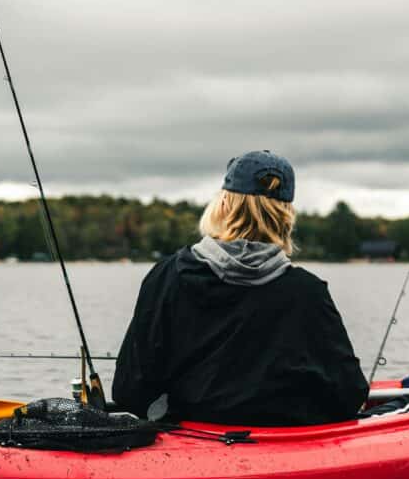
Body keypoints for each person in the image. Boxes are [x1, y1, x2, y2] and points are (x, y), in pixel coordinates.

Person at [112, 150, 369, 426]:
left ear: (223, 205)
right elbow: (349, 395)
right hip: (284, 450)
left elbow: (130, 391)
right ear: (286, 215)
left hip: (190, 446)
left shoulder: (167, 276)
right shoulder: (308, 293)